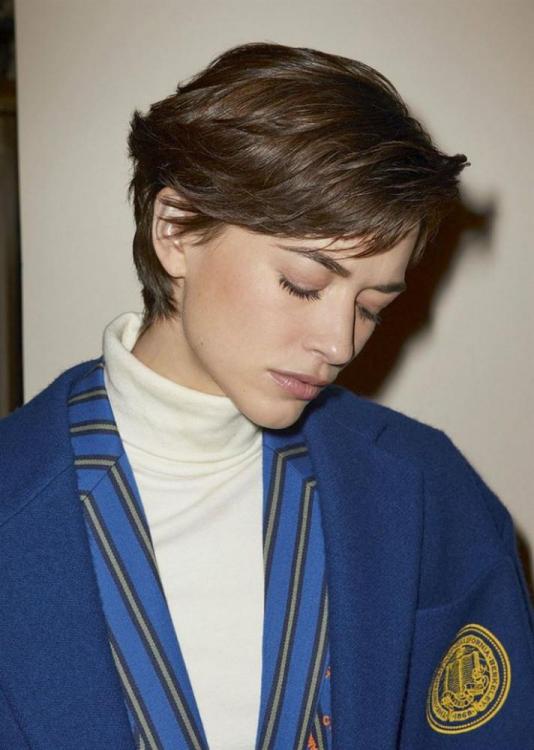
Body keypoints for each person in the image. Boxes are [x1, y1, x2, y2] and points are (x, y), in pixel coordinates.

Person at [0, 41, 532, 750]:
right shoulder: (15, 494)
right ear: (176, 230)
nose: (340, 345)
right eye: (304, 285)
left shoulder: (429, 494)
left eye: (372, 307)